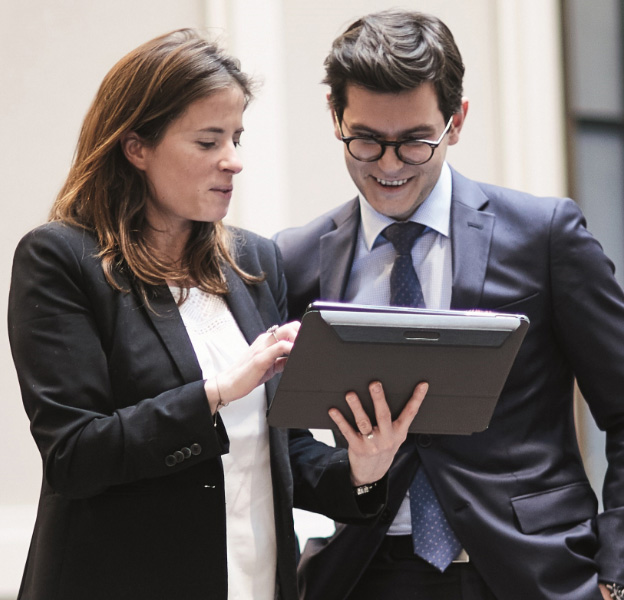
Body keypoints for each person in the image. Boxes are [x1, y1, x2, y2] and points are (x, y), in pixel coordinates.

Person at [7, 28, 427, 600]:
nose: (234, 162)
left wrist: (361, 466)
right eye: (208, 142)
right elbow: (74, 455)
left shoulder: (255, 261)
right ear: (136, 147)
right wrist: (217, 392)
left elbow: (284, 451)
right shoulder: (61, 258)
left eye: (236, 137)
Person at [274, 9, 624, 600]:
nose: (388, 166)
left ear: (457, 121)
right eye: (365, 140)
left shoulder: (544, 235)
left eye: (414, 141)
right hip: (367, 575)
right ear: (335, 118)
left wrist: (618, 579)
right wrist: (353, 476)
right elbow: (282, 442)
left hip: (534, 574)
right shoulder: (296, 258)